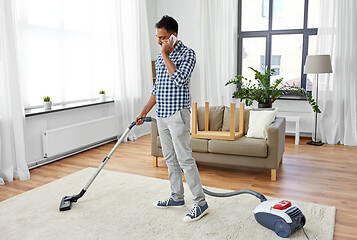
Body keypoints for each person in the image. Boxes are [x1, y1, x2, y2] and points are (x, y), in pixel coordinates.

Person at [136, 15, 208, 223]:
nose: (159, 41)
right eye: (157, 37)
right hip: (162, 116)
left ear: (173, 35)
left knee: (185, 159)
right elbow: (157, 89)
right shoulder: (160, 57)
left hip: (178, 114)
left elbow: (179, 79)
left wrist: (166, 55)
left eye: (162, 37)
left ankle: (201, 203)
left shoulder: (188, 54)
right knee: (170, 159)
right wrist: (143, 112)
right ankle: (177, 197)